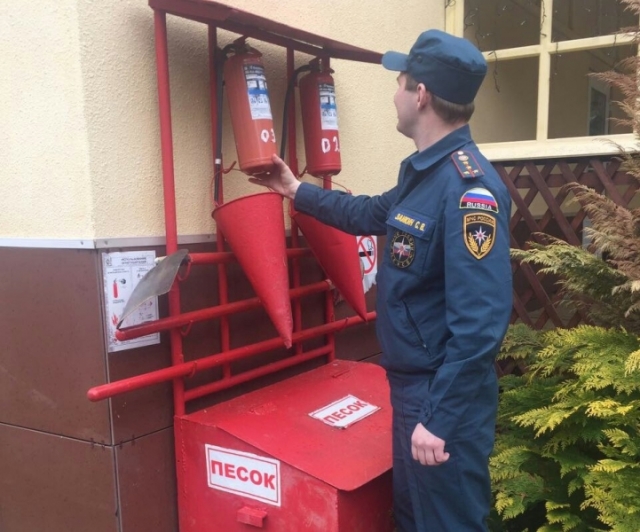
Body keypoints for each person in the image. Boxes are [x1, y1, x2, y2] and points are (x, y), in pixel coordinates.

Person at [250, 29, 513, 532]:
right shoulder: (424, 173)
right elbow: (369, 212)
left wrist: (441, 417)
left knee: (448, 524)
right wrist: (294, 190)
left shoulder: (467, 189)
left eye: (400, 80)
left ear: (421, 94)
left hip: (440, 397)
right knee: (415, 519)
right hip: (414, 387)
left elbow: (481, 322)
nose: (394, 91)